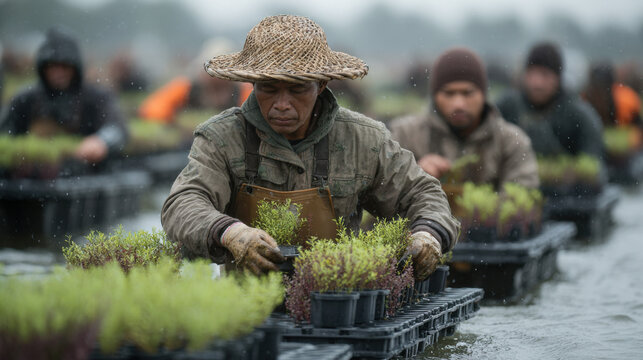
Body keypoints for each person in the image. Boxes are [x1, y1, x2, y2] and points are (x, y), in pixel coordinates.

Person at [161, 15, 459, 279]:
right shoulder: (223, 137)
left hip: (338, 302)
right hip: (248, 302)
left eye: (297, 88)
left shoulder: (363, 139)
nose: (281, 104)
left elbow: (421, 193)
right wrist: (230, 232)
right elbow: (183, 202)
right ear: (251, 83)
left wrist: (428, 234)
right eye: (268, 88)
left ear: (323, 84)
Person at [390, 48, 539, 190]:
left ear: (483, 95)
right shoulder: (404, 135)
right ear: (435, 96)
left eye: (468, 93)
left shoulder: (512, 142)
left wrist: (473, 208)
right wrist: (414, 176)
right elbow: (381, 197)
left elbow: (523, 200)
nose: (459, 104)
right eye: (449, 93)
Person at [0, 28, 127, 163]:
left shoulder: (96, 98)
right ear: (43, 68)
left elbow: (117, 128)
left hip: (83, 169)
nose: (58, 72)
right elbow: (5, 133)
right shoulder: (25, 99)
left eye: (64, 66)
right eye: (52, 66)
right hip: (36, 173)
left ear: (75, 67)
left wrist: (102, 141)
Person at [496, 42, 604, 160]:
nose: (537, 83)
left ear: (558, 78)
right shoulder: (508, 106)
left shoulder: (578, 114)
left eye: (545, 75)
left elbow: (593, 163)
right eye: (532, 73)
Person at [138, 38, 253, 124]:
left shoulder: (243, 91)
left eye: (223, 69)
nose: (217, 75)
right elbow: (152, 109)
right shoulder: (186, 87)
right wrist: (176, 121)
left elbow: (254, 116)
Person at [583, 62, 641, 128]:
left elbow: (639, 128)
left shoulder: (627, 102)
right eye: (596, 88)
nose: (600, 94)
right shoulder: (583, 102)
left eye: (604, 87)